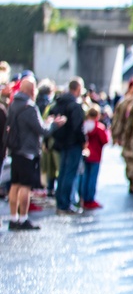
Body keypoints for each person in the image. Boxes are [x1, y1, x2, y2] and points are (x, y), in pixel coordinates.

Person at [5, 78, 65, 229]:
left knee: (15, 185)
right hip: (28, 151)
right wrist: (53, 124)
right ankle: (23, 218)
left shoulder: (13, 104)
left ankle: (13, 218)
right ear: (31, 90)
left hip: (15, 149)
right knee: (25, 186)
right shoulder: (29, 107)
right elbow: (42, 130)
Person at [49, 77, 86, 214]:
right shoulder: (74, 105)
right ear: (77, 89)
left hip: (61, 142)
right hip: (73, 143)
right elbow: (78, 127)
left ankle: (61, 202)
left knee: (63, 173)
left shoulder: (59, 102)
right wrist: (83, 141)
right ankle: (65, 204)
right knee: (69, 174)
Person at [80, 107, 109, 209]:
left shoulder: (84, 125)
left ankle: (83, 198)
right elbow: (105, 140)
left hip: (85, 153)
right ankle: (90, 199)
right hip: (95, 155)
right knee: (92, 178)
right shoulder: (99, 127)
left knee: (85, 177)